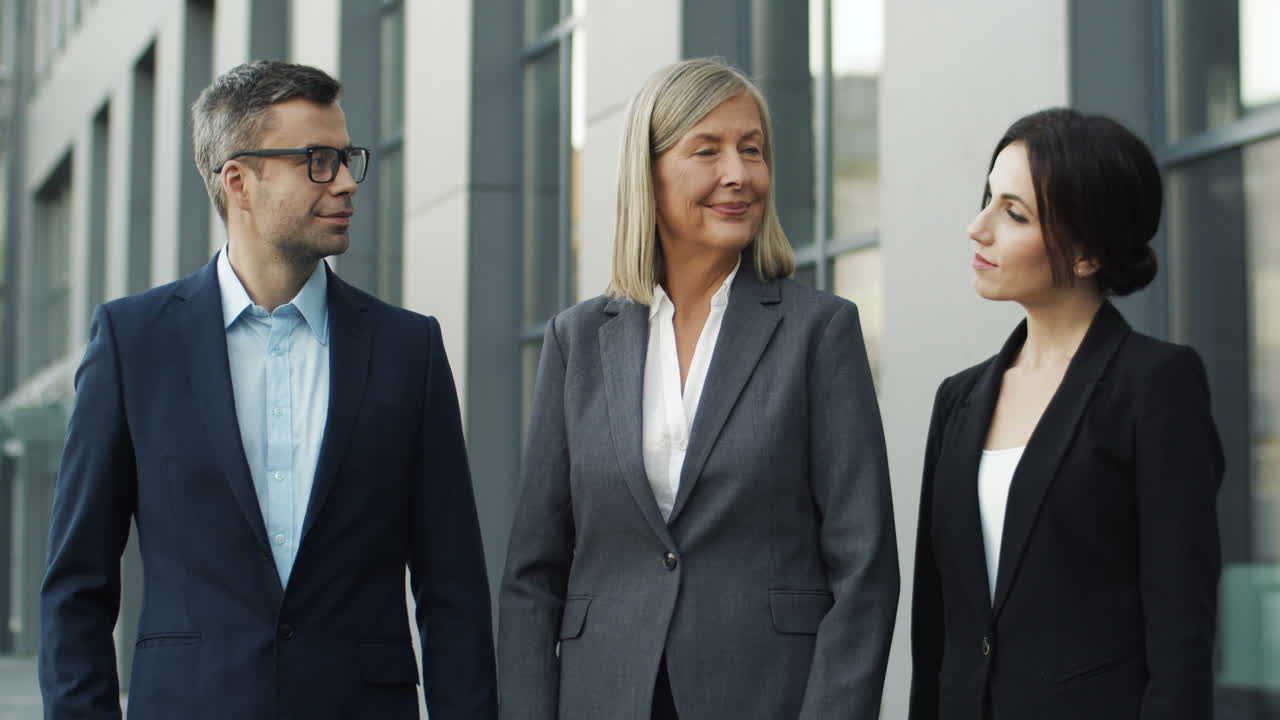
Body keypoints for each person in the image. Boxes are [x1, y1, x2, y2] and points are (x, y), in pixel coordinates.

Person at [39, 60, 497, 719]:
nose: (345, 183)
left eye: (346, 159)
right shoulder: (132, 343)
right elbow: (76, 588)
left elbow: (452, 589)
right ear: (239, 182)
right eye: (317, 160)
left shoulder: (408, 350)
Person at [497, 58, 899, 720]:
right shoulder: (577, 341)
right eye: (707, 150)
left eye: (753, 150)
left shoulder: (819, 333)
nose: (739, 174)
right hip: (605, 696)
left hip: (768, 696)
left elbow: (865, 569)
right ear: (648, 173)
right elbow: (531, 576)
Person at [909, 108, 1223, 720]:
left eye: (1014, 213)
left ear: (1085, 253)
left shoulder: (1155, 386)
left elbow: (1181, 632)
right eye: (988, 199)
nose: (979, 228)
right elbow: (936, 625)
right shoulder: (958, 399)